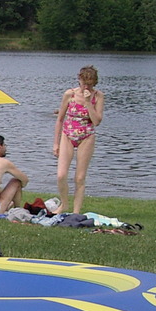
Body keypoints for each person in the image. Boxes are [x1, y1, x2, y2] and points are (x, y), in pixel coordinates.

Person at [53, 65, 104, 214]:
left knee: (80, 177)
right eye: (84, 83)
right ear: (79, 80)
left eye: (90, 83)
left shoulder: (98, 96)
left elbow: (97, 121)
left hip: (86, 136)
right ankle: (64, 204)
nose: (86, 86)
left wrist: (88, 102)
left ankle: (76, 212)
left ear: (94, 83)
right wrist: (56, 143)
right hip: (68, 134)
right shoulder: (70, 94)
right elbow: (60, 119)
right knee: (61, 175)